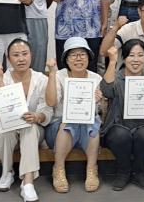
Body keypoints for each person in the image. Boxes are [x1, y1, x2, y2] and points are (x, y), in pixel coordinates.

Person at [101, 40, 144, 191]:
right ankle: (123, 172)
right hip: (117, 126)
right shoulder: (116, 78)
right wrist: (112, 61)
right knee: (120, 134)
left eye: (140, 55)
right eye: (131, 55)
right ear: (124, 58)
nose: (136, 60)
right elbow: (106, 90)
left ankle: (139, 171)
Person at [0, 39, 52, 201]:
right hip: (10, 128)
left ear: (31, 55)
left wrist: (37, 116)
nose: (21, 59)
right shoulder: (3, 78)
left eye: (24, 54)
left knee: (29, 128)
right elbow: (0, 109)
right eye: (16, 55)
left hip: (34, 128)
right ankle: (7, 172)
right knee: (3, 132)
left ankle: (28, 182)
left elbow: (48, 109)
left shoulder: (41, 79)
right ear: (8, 58)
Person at [45, 37, 103, 193]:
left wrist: (98, 100)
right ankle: (58, 169)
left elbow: (101, 111)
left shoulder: (96, 78)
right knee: (68, 122)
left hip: (85, 128)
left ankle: (92, 169)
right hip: (59, 129)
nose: (78, 58)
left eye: (82, 54)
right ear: (66, 59)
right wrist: (51, 73)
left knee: (93, 122)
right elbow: (51, 102)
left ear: (88, 57)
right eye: (73, 55)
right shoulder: (59, 76)